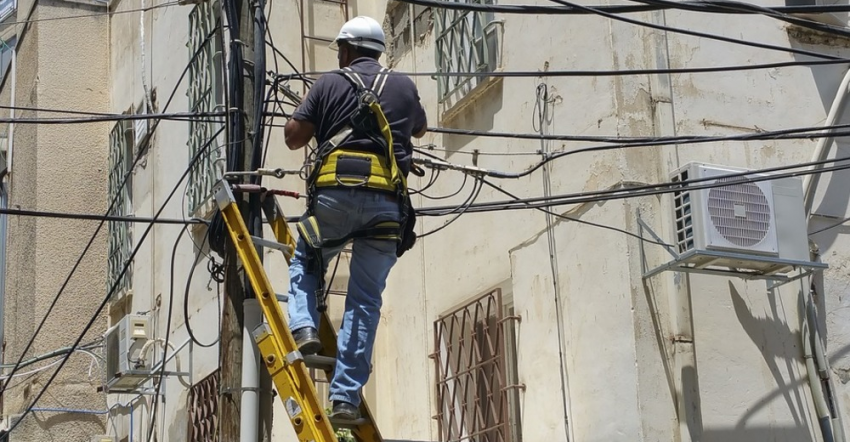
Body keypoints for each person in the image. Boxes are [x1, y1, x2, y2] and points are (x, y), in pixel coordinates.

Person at [283, 15, 427, 420]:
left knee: (307, 258)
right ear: (379, 51)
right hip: (386, 208)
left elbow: (294, 137)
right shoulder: (402, 85)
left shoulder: (329, 82)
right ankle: (345, 398)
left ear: (346, 50)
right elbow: (419, 129)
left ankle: (305, 328)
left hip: (334, 199)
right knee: (365, 303)